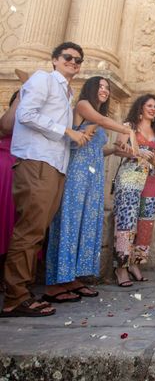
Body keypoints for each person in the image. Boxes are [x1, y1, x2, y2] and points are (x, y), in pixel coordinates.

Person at [1, 42, 91, 317]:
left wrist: (76, 138)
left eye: (78, 60)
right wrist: (65, 130)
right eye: (68, 57)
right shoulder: (43, 80)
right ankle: (15, 297)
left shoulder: (66, 93)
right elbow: (26, 116)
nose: (73, 63)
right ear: (54, 59)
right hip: (37, 162)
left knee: (37, 230)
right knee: (29, 230)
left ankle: (22, 291)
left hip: (54, 165)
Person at [44, 77, 134, 302]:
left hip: (93, 176)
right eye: (101, 87)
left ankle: (72, 277)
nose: (104, 90)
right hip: (76, 173)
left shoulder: (97, 117)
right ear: (92, 89)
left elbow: (96, 149)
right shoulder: (84, 105)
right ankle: (56, 282)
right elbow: (101, 120)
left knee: (86, 223)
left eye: (107, 88)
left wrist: (114, 149)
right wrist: (127, 130)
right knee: (70, 222)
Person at [112, 94, 155, 287]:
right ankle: (121, 267)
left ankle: (135, 263)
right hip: (130, 176)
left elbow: (154, 158)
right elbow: (117, 149)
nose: (153, 109)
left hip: (150, 180)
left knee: (146, 222)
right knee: (127, 221)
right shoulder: (129, 126)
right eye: (149, 106)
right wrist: (136, 152)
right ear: (140, 107)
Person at [0, 91, 19, 285]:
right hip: (6, 167)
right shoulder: (12, 114)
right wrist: (21, 97)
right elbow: (5, 127)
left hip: (27, 166)